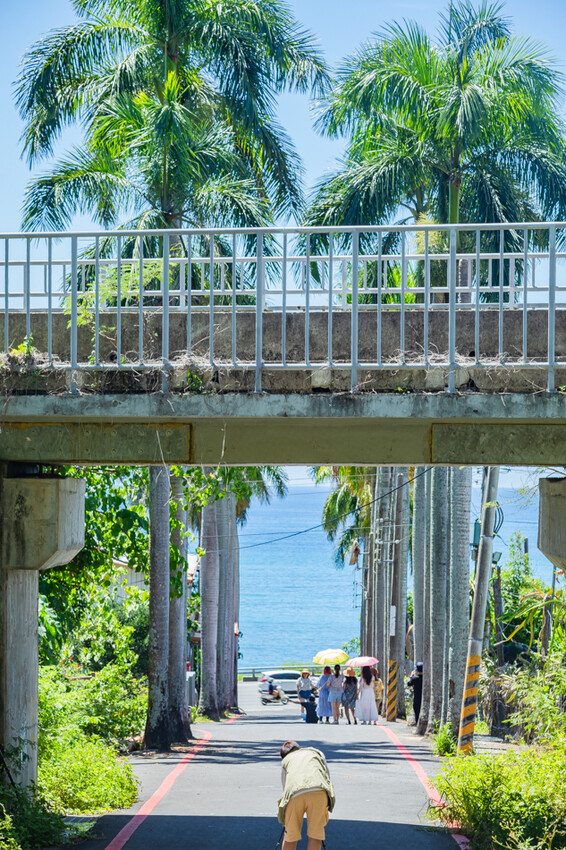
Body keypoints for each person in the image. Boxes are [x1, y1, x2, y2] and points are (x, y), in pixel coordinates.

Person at [278, 740, 335, 850]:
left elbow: (285, 787)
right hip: (318, 790)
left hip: (295, 794)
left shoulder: (286, 761)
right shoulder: (317, 753)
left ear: (284, 756)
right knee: (315, 835)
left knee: (290, 836)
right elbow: (326, 776)